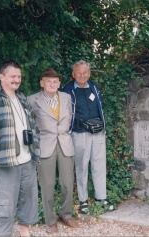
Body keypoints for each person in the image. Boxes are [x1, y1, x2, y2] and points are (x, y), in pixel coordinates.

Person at [28, 68, 78, 235]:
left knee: (67, 182)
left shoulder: (66, 97)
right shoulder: (32, 100)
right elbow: (29, 125)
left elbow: (69, 119)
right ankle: (50, 220)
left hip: (65, 143)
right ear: (42, 83)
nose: (52, 84)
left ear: (59, 83)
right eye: (48, 81)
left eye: (55, 81)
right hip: (45, 145)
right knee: (47, 185)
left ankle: (66, 214)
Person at [0, 59, 40, 237]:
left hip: (27, 160)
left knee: (27, 201)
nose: (16, 79)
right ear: (1, 77)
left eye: (19, 76)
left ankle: (25, 233)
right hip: (6, 162)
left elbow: (32, 125)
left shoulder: (21, 97)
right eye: (12, 76)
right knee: (3, 205)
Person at [63, 60, 114, 214]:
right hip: (79, 134)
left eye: (85, 72)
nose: (82, 75)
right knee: (82, 166)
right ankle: (83, 200)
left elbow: (100, 106)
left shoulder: (94, 86)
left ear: (89, 73)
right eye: (79, 72)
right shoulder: (67, 90)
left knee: (99, 165)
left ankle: (101, 197)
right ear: (73, 74)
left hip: (97, 132)